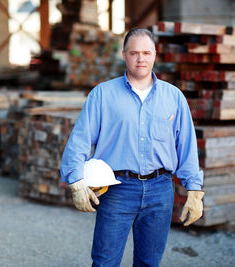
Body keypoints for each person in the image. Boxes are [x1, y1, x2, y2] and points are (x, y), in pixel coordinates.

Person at [60, 28, 204, 267]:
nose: (141, 59)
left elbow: (186, 146)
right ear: (124, 55)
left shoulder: (174, 97)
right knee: (105, 262)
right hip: (117, 190)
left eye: (146, 52)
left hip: (160, 191)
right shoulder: (102, 95)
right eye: (134, 53)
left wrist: (195, 191)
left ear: (155, 55)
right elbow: (80, 141)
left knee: (149, 263)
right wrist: (76, 181)